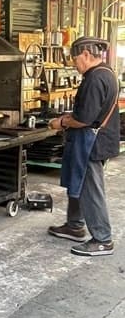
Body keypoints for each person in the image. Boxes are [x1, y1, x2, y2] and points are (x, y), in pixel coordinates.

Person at [47, 36, 119, 256]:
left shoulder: (95, 78)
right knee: (78, 182)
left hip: (91, 142)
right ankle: (75, 226)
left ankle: (102, 239)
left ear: (86, 55)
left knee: (90, 189)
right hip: (94, 138)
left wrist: (60, 122)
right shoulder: (106, 72)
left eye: (75, 59)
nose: (73, 64)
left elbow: (85, 119)